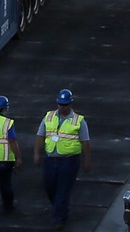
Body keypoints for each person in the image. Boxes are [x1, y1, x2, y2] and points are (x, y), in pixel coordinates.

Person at [37, 88, 89, 228]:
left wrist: (86, 160)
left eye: (65, 104)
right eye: (60, 104)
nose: (62, 107)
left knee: (63, 190)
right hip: (50, 159)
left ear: (70, 104)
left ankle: (59, 219)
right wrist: (36, 153)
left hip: (69, 161)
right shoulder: (48, 117)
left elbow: (85, 142)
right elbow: (40, 135)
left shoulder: (79, 121)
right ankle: (60, 208)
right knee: (49, 187)